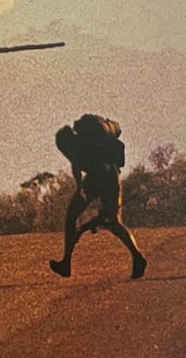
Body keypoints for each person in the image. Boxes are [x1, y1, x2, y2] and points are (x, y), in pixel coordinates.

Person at [49, 113, 146, 279]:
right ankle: (137, 257)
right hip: (111, 175)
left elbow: (76, 167)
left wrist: (79, 189)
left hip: (98, 178)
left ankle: (66, 262)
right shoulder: (87, 141)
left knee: (72, 216)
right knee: (113, 221)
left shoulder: (74, 146)